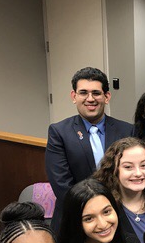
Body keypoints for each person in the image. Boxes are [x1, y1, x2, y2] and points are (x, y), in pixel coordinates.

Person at [45, 66, 134, 231]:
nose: (90, 98)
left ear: (106, 97)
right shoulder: (59, 132)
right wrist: (91, 214)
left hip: (118, 216)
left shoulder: (127, 131)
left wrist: (109, 212)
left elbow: (132, 177)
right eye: (83, 92)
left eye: (96, 93)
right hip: (75, 218)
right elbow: (61, 184)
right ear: (74, 96)